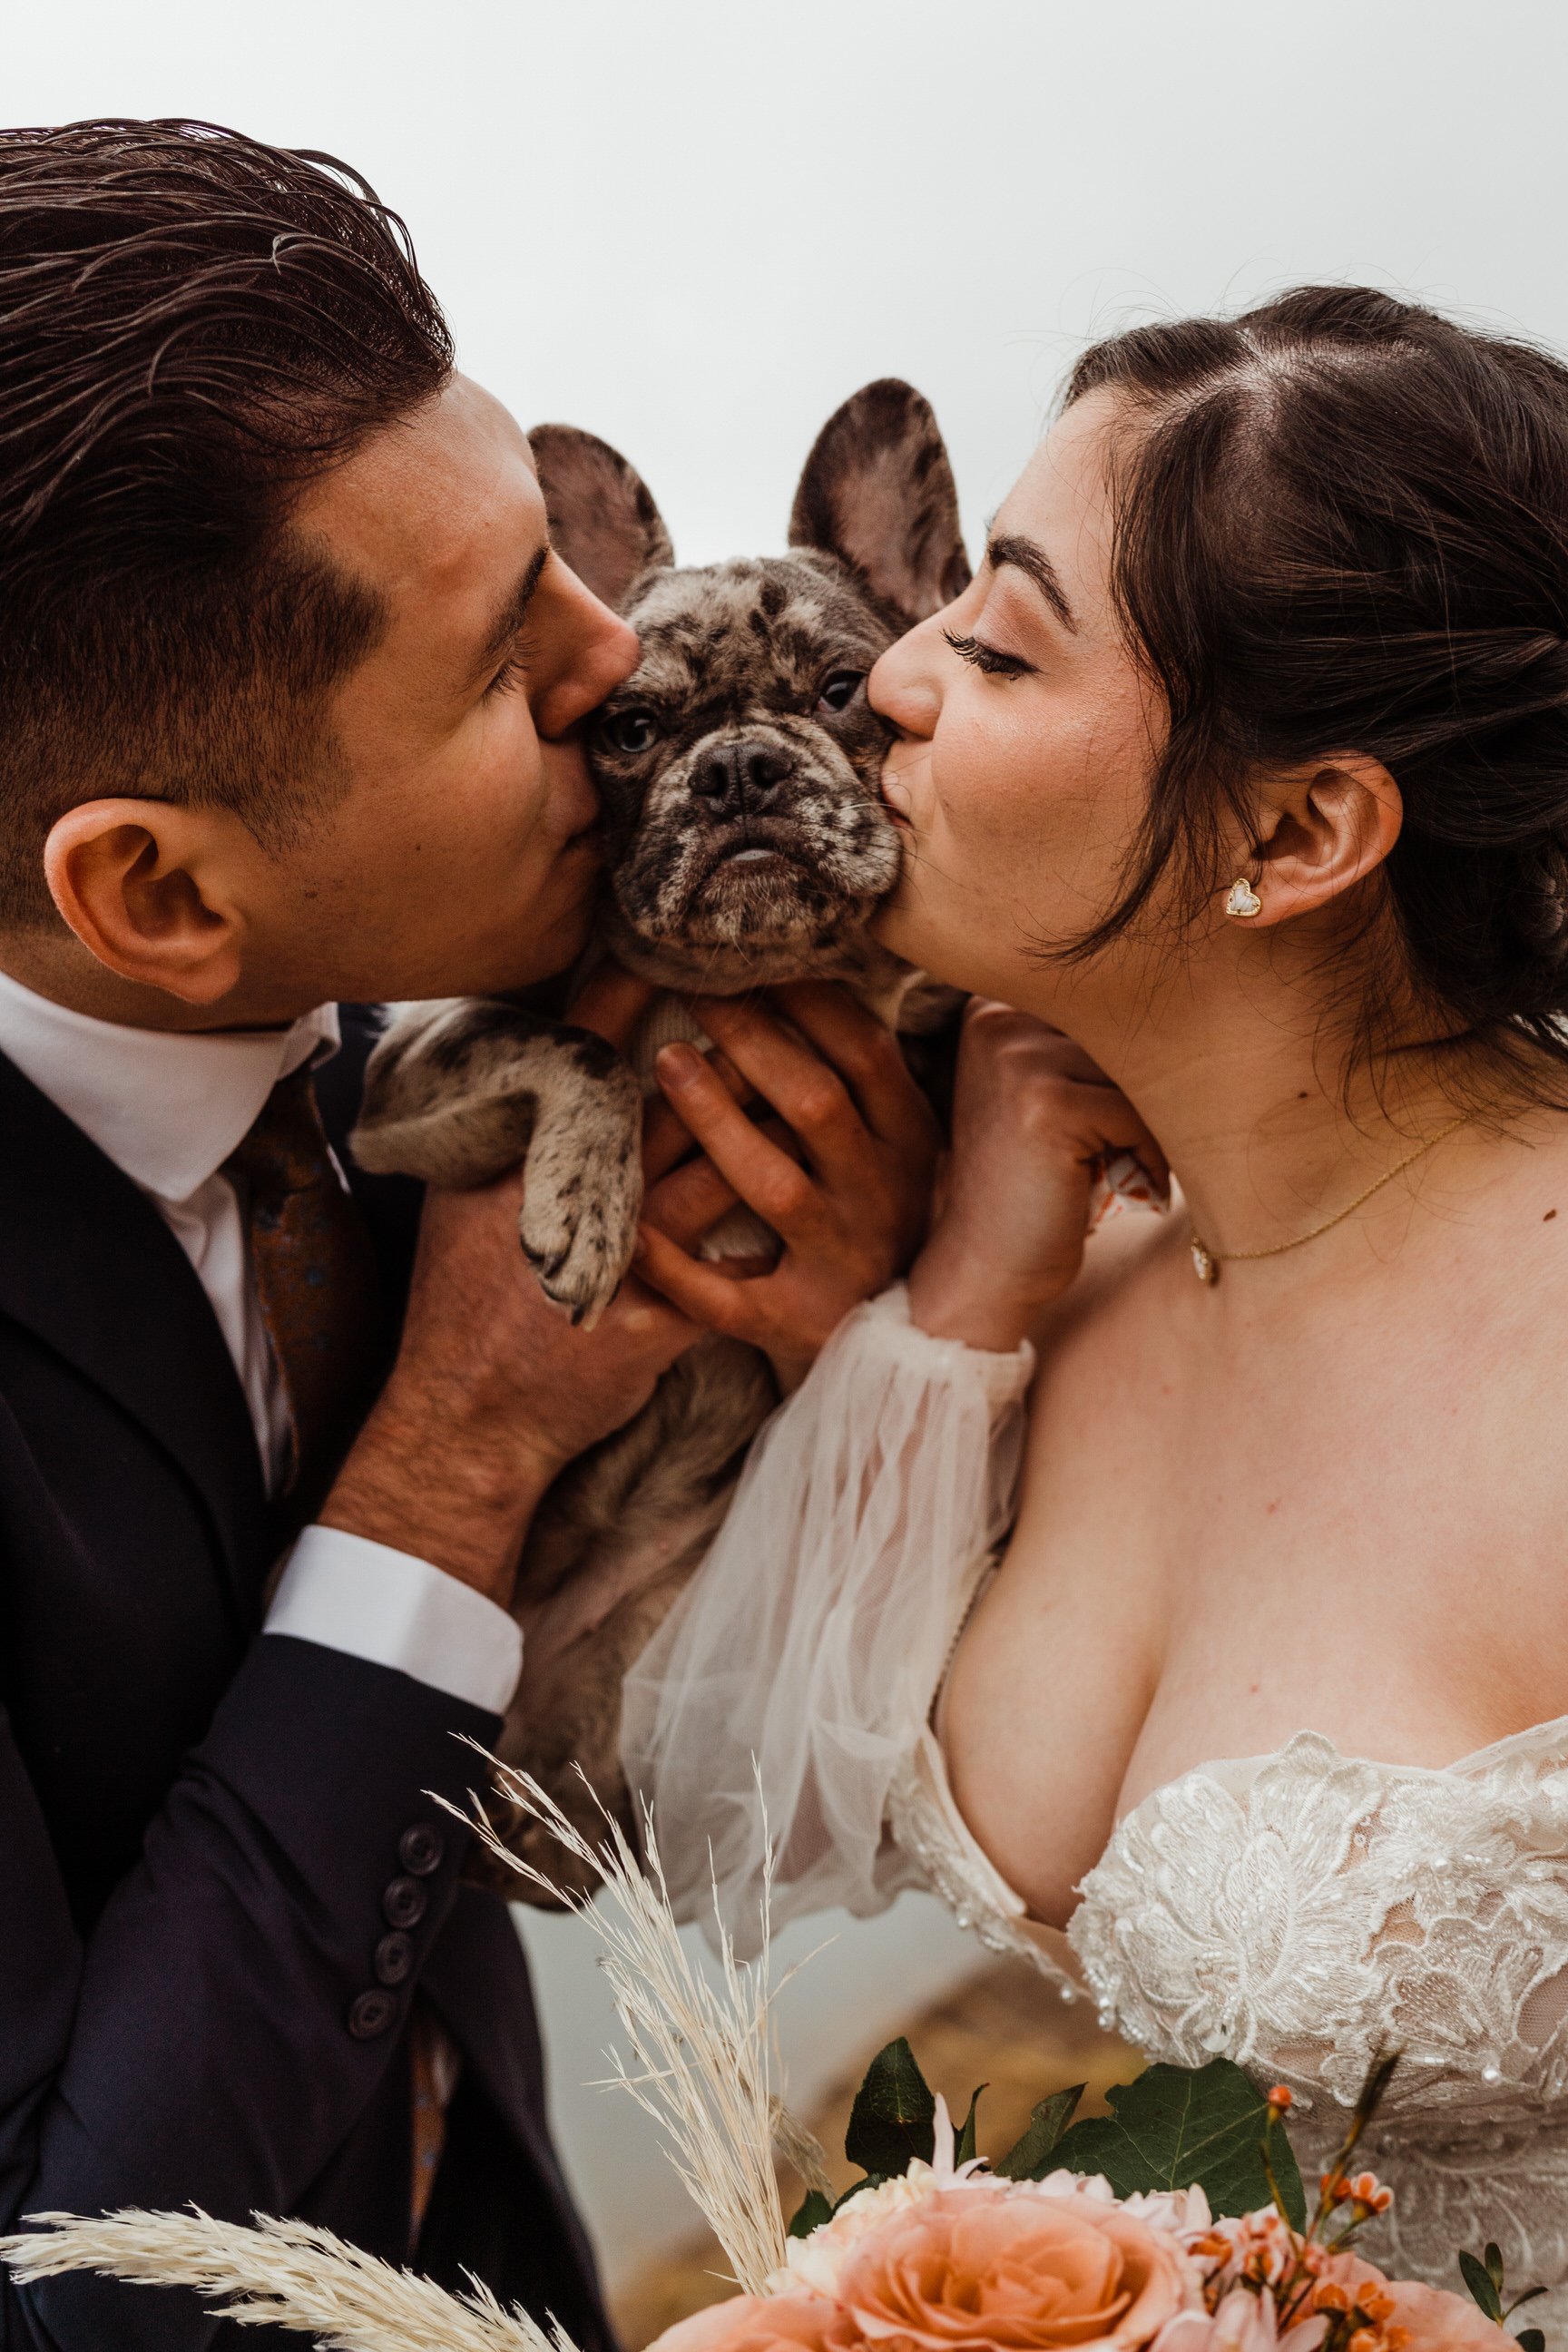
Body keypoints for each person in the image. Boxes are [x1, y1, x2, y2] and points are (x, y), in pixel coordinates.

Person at [0, 120, 928, 2352]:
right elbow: (73, 2294)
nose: (623, 663)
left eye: (567, 568)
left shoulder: (397, 1058)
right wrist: (457, 1450)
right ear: (158, 895)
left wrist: (863, 1339)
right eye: (516, 663)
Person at [622, 289, 1568, 2316]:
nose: (888, 678)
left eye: (999, 638)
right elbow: (728, 1838)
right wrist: (952, 1308)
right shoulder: (1054, 1270)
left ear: (1297, 832)